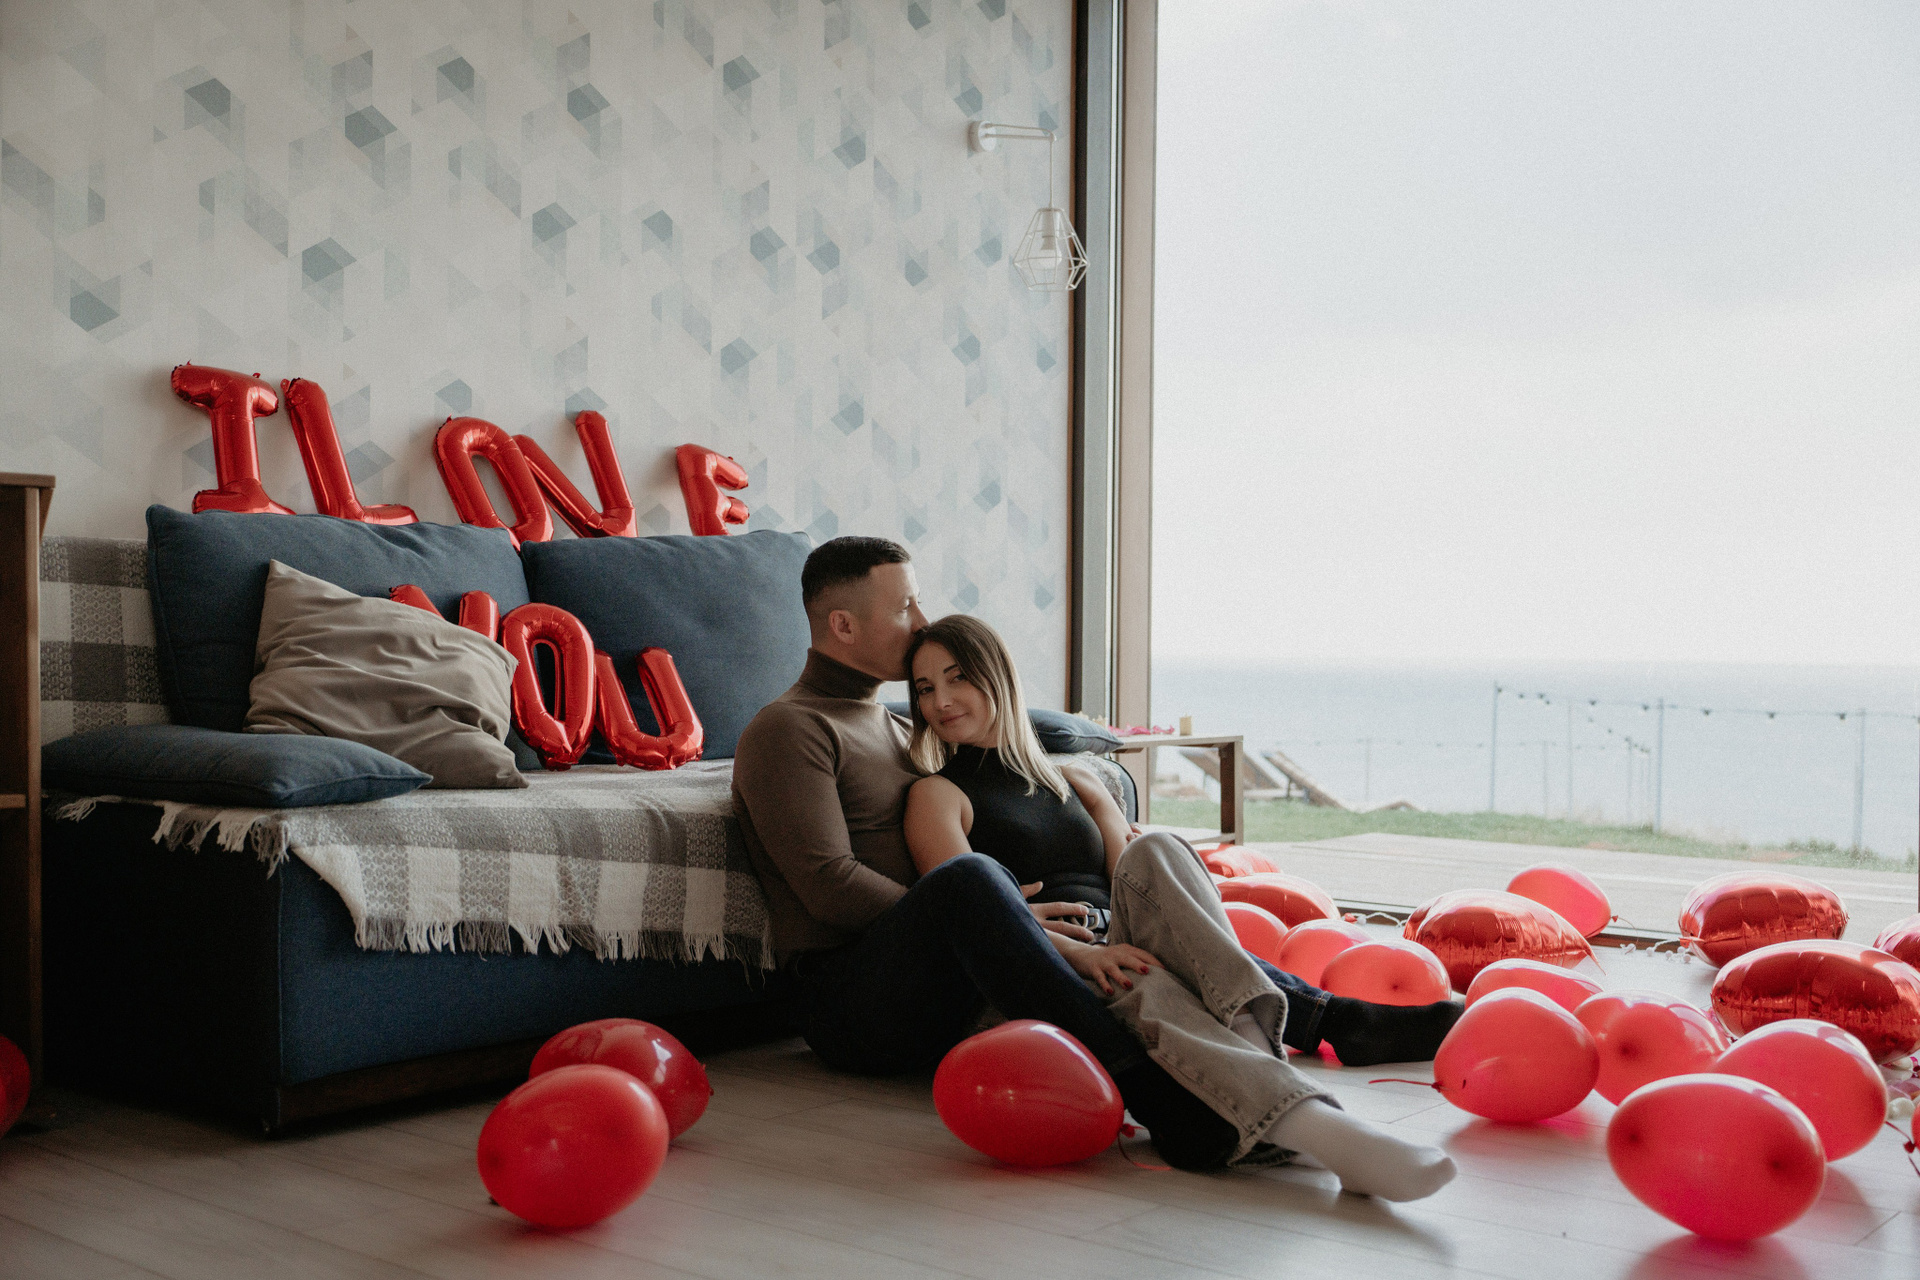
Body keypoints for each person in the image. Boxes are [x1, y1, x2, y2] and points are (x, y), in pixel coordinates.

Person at [731, 536, 1457, 1184]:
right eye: (904, 607)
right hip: (852, 1003)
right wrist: (1009, 917)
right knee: (975, 880)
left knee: (1146, 881)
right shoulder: (790, 728)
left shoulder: (894, 726)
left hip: (957, 966)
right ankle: (1165, 1092)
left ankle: (1291, 1060)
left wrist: (1029, 916)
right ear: (843, 625)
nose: (921, 620)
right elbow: (829, 888)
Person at [903, 613, 1457, 1197]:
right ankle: (1331, 1128)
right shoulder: (937, 794)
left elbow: (1137, 880)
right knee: (1149, 983)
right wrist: (1084, 954)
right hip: (1052, 966)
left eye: (957, 677)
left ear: (997, 675)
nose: (942, 701)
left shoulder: (1079, 781)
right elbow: (976, 918)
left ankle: (1271, 1073)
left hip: (1123, 936)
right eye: (925, 689)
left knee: (1158, 848)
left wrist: (1137, 934)